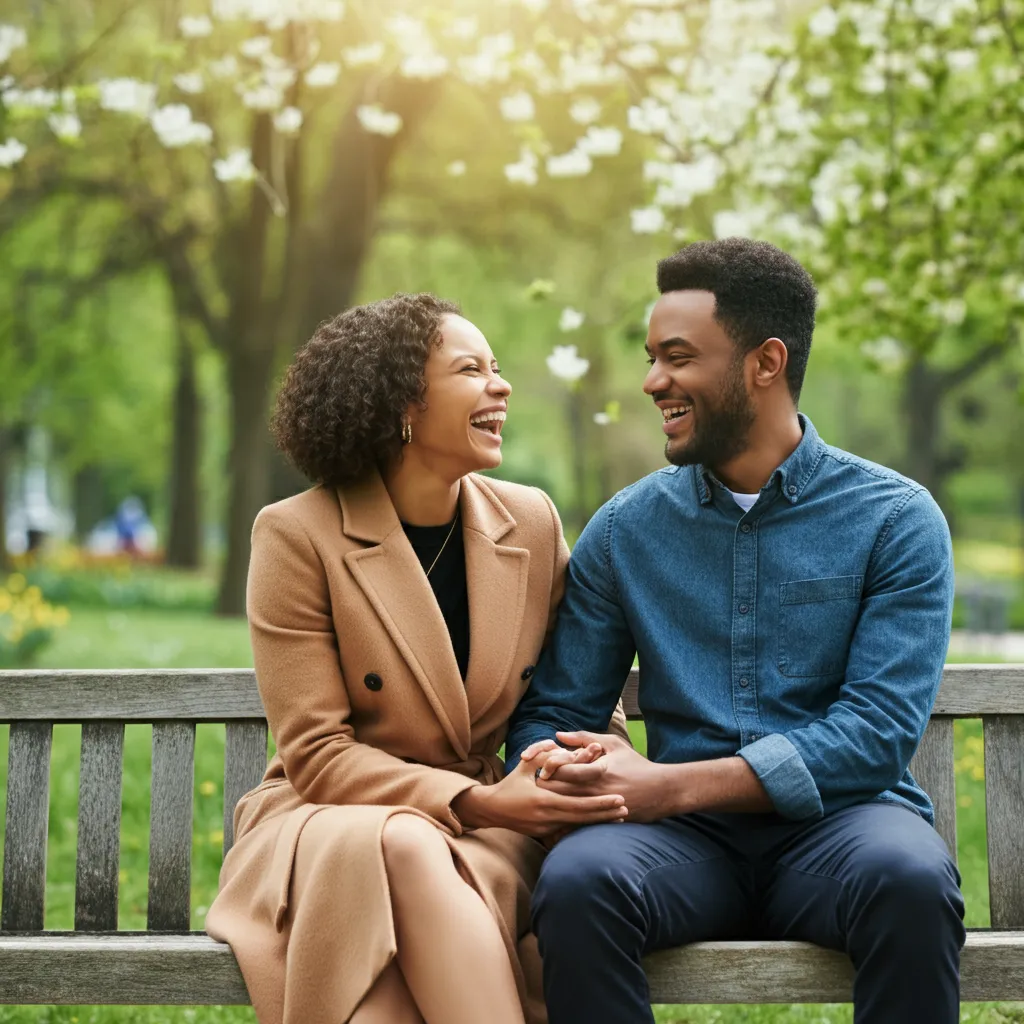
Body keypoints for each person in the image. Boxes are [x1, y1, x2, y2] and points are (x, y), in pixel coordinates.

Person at [506, 238, 965, 1024]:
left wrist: (664, 784)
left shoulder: (895, 518)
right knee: (582, 882)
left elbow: (876, 734)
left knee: (911, 880)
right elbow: (557, 709)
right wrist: (560, 762)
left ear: (765, 362)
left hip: (844, 828)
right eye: (652, 358)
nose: (654, 383)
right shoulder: (624, 530)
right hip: (684, 847)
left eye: (678, 358)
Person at [206, 293, 629, 1024]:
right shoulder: (296, 534)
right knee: (401, 840)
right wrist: (482, 801)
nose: (500, 387)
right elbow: (317, 755)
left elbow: (581, 703)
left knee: (385, 987)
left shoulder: (530, 521)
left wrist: (564, 768)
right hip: (326, 821)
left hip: (485, 836)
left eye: (498, 369)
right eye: (472, 370)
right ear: (403, 403)